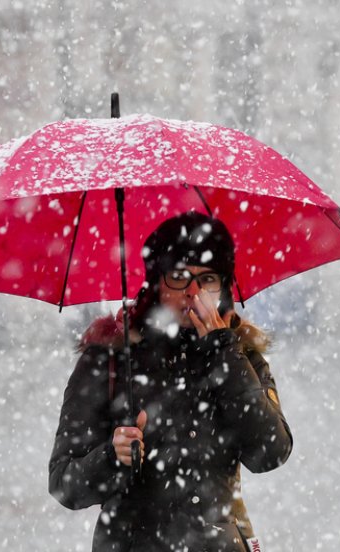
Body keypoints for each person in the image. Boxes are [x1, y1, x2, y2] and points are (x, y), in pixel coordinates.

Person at [49, 212, 293, 551]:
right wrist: (111, 456)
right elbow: (65, 484)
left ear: (223, 287)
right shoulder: (111, 358)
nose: (193, 292)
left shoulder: (238, 356)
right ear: (156, 282)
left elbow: (270, 453)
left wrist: (224, 354)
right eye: (178, 276)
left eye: (207, 279)